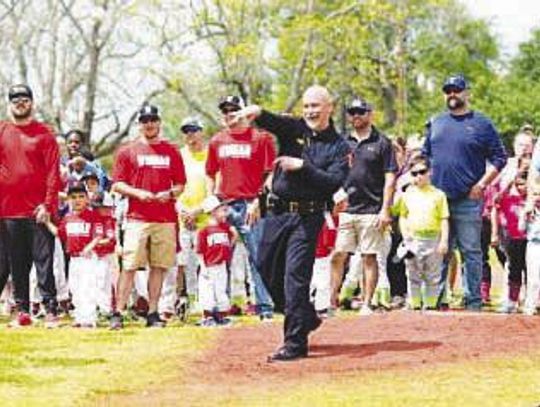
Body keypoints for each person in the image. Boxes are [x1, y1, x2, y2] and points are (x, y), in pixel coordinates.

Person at [234, 85, 350, 361]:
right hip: (277, 213)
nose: (310, 111)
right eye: (307, 106)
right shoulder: (294, 129)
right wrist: (257, 112)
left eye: (316, 106)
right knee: (264, 265)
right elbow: (273, 121)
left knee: (295, 277)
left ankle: (295, 343)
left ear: (329, 107)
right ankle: (305, 316)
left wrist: (302, 167)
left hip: (308, 217)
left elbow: (334, 182)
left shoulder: (338, 145)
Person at [423, 74, 507, 311]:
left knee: (471, 251)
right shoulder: (436, 122)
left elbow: (499, 158)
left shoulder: (481, 123)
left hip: (468, 200)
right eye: (448, 90)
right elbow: (425, 154)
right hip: (439, 200)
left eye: (456, 90)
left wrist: (482, 184)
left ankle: (473, 301)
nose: (452, 94)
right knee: (440, 251)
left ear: (466, 93)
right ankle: (437, 300)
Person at [110, 104, 186, 329]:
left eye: (153, 120)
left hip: (165, 218)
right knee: (130, 266)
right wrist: (138, 193)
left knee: (159, 266)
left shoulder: (171, 151)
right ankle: (118, 312)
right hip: (137, 217)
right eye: (145, 120)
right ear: (139, 124)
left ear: (159, 122)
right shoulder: (127, 151)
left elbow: (181, 184)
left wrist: (169, 193)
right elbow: (118, 184)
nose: (149, 124)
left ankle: (153, 312)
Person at [206, 95, 276, 320]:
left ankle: (265, 307)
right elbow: (210, 172)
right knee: (217, 258)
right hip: (225, 205)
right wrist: (212, 203)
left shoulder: (260, 138)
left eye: (234, 109)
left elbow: (271, 173)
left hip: (250, 205)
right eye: (225, 110)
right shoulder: (217, 141)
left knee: (258, 257)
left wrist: (259, 199)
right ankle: (217, 309)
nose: (229, 114)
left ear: (244, 111)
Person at [0, 84, 62, 327]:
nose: (20, 102)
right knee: (17, 264)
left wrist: (48, 205)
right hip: (8, 211)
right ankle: (23, 311)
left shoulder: (44, 135)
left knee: (44, 262)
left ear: (31, 103)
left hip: (38, 212)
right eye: (15, 99)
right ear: (9, 103)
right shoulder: (2, 131)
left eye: (24, 99)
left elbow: (53, 174)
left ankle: (50, 309)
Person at [330, 97, 397, 316]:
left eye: (360, 112)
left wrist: (385, 209)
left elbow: (390, 178)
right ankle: (331, 302)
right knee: (339, 254)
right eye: (352, 112)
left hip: (371, 209)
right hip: (346, 209)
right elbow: (332, 172)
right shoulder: (342, 142)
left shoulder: (382, 142)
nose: (355, 116)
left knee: (369, 256)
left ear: (370, 114)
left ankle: (367, 303)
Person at [393, 156, 449, 310]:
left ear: (430, 172)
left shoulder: (438, 195)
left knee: (433, 275)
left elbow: (444, 219)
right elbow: (402, 216)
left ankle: (430, 304)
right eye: (414, 173)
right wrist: (406, 236)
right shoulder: (408, 194)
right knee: (413, 273)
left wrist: (444, 241)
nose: (418, 176)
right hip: (414, 239)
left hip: (433, 238)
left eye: (422, 172)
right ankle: (415, 303)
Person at [46, 182, 103, 327]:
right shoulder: (68, 218)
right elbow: (59, 233)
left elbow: (98, 234)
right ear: (69, 200)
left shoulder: (93, 216)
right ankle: (79, 317)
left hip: (88, 258)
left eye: (81, 196)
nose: (77, 200)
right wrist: (47, 222)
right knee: (75, 287)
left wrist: (90, 246)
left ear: (87, 199)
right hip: (73, 258)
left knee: (87, 287)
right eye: (73, 197)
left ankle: (89, 319)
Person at [176, 117, 209, 312]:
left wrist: (198, 211)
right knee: (185, 262)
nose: (190, 135)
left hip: (205, 217)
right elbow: (173, 187)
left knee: (205, 263)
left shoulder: (210, 155)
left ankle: (208, 300)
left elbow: (215, 189)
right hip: (183, 218)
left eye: (194, 130)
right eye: (187, 131)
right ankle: (190, 298)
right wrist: (183, 211)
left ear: (201, 132)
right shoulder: (179, 156)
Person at [196, 196, 236, 326]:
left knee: (220, 290)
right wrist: (203, 267)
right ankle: (207, 316)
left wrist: (229, 247)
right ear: (212, 212)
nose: (225, 213)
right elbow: (199, 251)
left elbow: (234, 236)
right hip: (209, 266)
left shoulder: (225, 228)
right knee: (207, 290)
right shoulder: (204, 231)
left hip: (221, 265)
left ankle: (221, 315)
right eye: (222, 211)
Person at [492, 171, 528, 313]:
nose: (521, 188)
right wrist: (509, 183)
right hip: (512, 240)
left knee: (530, 270)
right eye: (518, 185)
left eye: (523, 184)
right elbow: (496, 200)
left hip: (529, 240)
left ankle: (531, 299)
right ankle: (512, 301)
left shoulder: (533, 200)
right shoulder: (509, 199)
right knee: (514, 270)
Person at [518, 183, 540, 315]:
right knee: (533, 277)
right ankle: (530, 305)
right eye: (536, 194)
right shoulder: (529, 212)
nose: (538, 197)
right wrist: (524, 216)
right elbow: (521, 229)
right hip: (534, 244)